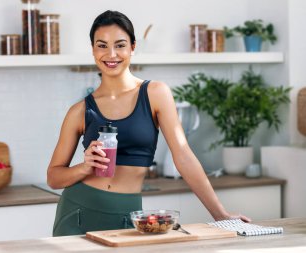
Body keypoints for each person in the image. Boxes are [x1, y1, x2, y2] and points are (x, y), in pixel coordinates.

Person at [47, 10, 251, 237]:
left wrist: (219, 214)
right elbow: (54, 177)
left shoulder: (155, 93)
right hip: (77, 212)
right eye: (102, 45)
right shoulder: (80, 111)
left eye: (120, 45)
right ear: (93, 49)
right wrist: (84, 167)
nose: (111, 54)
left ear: (133, 47)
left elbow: (182, 154)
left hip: (127, 215)